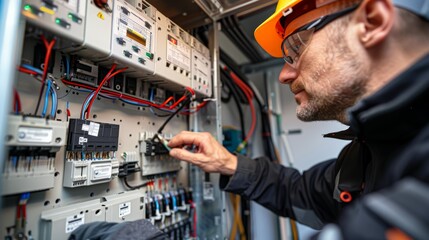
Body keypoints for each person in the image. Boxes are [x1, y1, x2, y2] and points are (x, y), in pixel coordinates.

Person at [168, 0, 429, 238]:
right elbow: (298, 192)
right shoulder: (366, 154)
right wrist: (228, 163)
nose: (284, 74)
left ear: (371, 22)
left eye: (296, 46)